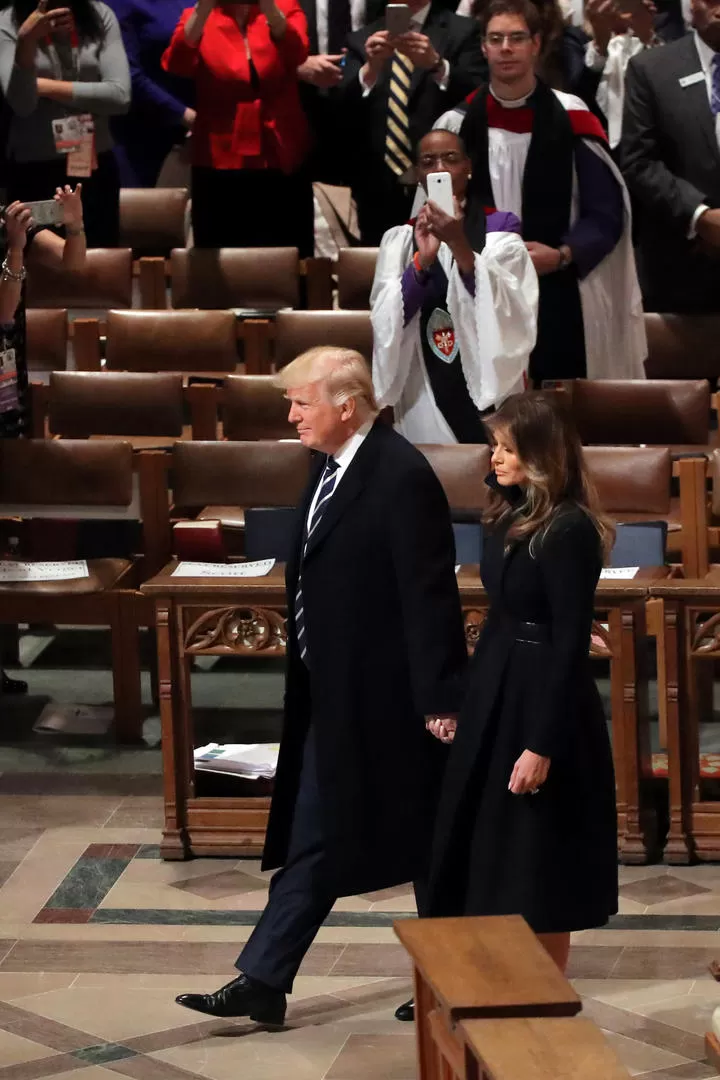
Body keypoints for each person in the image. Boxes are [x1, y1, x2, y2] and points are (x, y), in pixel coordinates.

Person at [173, 346, 467, 1027]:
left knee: (425, 836)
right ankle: (265, 979)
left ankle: (452, 978)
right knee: (318, 831)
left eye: (301, 402)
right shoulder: (327, 466)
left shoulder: (399, 475)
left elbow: (427, 596)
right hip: (331, 693)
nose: (291, 414)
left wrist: (440, 698)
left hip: (392, 700)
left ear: (346, 404)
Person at [426, 391, 619, 978]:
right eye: (494, 447)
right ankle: (488, 981)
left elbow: (568, 645)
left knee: (537, 860)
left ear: (542, 454)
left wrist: (542, 744)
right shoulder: (506, 516)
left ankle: (543, 995)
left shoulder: (568, 530)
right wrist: (462, 701)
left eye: (508, 448)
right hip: (496, 690)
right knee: (484, 848)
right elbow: (498, 621)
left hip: (540, 702)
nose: (495, 459)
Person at [437, 0, 646, 383]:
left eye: (517, 38)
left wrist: (564, 254)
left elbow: (606, 212)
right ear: (482, 47)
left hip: (556, 286)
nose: (505, 48)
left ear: (536, 44)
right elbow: (434, 215)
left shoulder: (572, 117)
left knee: (556, 401)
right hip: (477, 288)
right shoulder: (456, 126)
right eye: (495, 38)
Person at [371, 127, 538, 444]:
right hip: (423, 382)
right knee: (433, 475)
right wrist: (423, 261)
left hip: (489, 378)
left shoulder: (500, 226)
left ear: (469, 166)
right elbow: (387, 318)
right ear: (418, 174)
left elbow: (509, 306)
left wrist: (458, 241)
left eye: (450, 159)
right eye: (428, 162)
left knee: (493, 478)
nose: (439, 169)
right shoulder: (400, 239)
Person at [0, 183, 85, 694]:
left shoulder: (7, 212)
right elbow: (3, 310)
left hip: (7, 378)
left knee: (5, 513)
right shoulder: (10, 235)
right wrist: (14, 247)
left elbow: (74, 265)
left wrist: (72, 223)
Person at [162, 0, 314, 254]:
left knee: (287, 251)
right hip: (218, 157)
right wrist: (203, 8)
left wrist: (268, 7)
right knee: (221, 253)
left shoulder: (285, 8)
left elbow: (297, 52)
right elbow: (176, 62)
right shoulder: (198, 15)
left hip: (279, 151)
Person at [339, 0, 487, 243]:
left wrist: (438, 65)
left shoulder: (463, 31)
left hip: (445, 185)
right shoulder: (361, 40)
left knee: (443, 268)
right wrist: (370, 70)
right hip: (377, 191)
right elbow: (340, 110)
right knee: (383, 272)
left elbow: (479, 97)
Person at [0, 0, 130, 247]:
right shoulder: (9, 22)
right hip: (35, 171)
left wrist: (44, 87)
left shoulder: (99, 14)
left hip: (94, 169)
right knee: (39, 271)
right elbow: (22, 104)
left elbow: (120, 96)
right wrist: (26, 41)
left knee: (97, 268)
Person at [620, 0, 720, 314]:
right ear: (692, 5)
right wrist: (699, 215)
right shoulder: (651, 69)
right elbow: (638, 160)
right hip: (682, 267)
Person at [108, 0, 195, 187]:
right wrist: (183, 114)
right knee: (137, 212)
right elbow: (127, 72)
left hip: (201, 127)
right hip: (141, 131)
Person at [584, 0, 663, 150]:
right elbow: (584, 80)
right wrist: (601, 38)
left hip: (653, 135)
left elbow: (669, 73)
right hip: (602, 140)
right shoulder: (580, 36)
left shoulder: (663, 26)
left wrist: (646, 34)